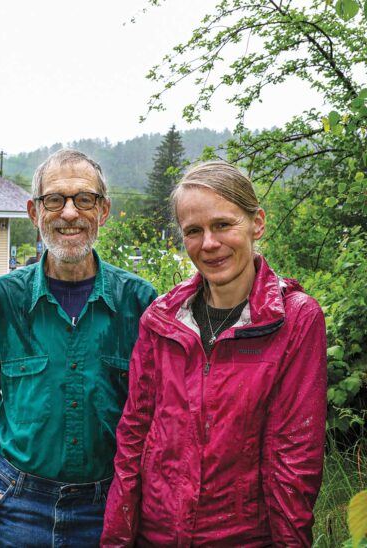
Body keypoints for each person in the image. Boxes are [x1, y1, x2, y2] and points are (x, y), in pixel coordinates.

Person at [102, 161, 327, 546]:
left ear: (257, 223)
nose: (209, 243)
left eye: (222, 225)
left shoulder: (296, 320)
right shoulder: (161, 320)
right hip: (155, 535)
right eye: (194, 231)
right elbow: (133, 439)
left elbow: (295, 457)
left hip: (242, 538)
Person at [0, 149, 157, 546]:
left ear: (104, 210)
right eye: (55, 199)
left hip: (110, 505)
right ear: (33, 211)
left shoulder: (140, 303)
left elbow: (163, 417)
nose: (70, 213)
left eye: (85, 199)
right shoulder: (2, 299)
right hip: (17, 506)